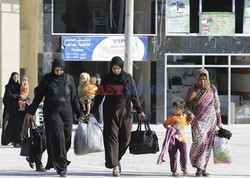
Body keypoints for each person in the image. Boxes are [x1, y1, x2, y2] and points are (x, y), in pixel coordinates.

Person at [24, 58, 83, 177]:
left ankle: (56, 159)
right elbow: (38, 97)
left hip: (66, 111)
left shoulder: (69, 79)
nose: (59, 72)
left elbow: (74, 98)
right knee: (58, 137)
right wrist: (31, 111)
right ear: (53, 69)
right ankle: (62, 167)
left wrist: (79, 113)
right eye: (57, 70)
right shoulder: (47, 79)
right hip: (51, 111)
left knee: (66, 138)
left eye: (61, 70)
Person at [90, 56, 146, 177]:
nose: (116, 70)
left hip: (126, 112)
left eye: (118, 68)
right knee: (112, 139)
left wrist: (139, 110)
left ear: (121, 67)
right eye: (114, 68)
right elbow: (99, 95)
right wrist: (93, 111)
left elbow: (134, 95)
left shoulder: (128, 77)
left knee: (126, 139)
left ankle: (117, 158)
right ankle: (115, 165)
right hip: (110, 112)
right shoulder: (107, 78)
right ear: (111, 67)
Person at [185, 68, 223, 177]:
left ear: (207, 79)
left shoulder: (212, 89)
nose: (202, 81)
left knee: (207, 146)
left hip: (211, 122)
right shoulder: (193, 90)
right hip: (198, 122)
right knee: (198, 143)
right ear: (196, 78)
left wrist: (219, 122)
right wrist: (189, 113)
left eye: (204, 79)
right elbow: (187, 105)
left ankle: (202, 168)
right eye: (200, 79)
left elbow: (217, 105)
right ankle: (198, 165)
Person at [163, 100, 192, 177]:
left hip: (182, 139)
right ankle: (174, 171)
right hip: (172, 139)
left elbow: (189, 122)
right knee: (173, 155)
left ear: (182, 109)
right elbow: (165, 124)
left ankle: (184, 170)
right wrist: (169, 129)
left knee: (184, 154)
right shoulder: (172, 117)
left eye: (177, 108)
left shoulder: (185, 117)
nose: (174, 110)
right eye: (174, 108)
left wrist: (191, 116)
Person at [20, 87, 46, 172]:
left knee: (45, 145)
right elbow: (26, 119)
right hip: (35, 128)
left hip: (45, 128)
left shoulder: (46, 105)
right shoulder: (32, 105)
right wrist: (23, 132)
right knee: (39, 146)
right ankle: (39, 165)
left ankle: (31, 157)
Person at [1, 72, 27, 147]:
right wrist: (19, 96)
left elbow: (24, 95)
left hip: (18, 109)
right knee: (8, 125)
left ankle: (17, 141)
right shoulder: (8, 86)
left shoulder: (19, 86)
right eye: (14, 77)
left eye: (17, 77)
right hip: (10, 109)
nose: (16, 79)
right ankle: (8, 140)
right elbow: (9, 96)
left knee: (18, 125)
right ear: (12, 78)